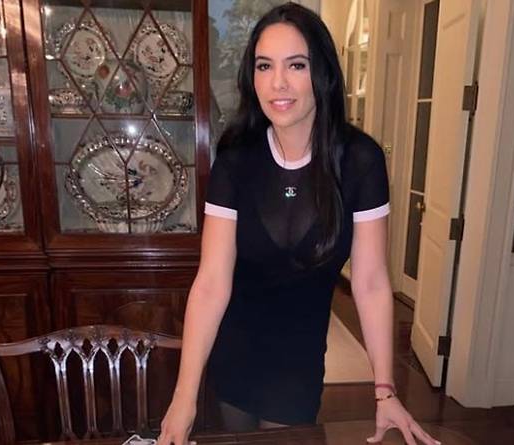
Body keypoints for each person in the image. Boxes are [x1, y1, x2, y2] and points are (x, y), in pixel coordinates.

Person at [158, 4, 440, 445]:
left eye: (296, 65)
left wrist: (384, 390)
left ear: (322, 73)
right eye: (264, 66)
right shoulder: (236, 159)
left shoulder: (359, 161)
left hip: (300, 363)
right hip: (233, 354)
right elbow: (211, 282)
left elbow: (370, 282)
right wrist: (184, 396)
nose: (278, 83)